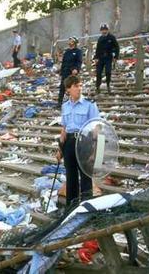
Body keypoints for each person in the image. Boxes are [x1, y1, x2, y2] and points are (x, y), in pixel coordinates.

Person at [56, 76, 99, 207]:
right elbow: (64, 128)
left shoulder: (90, 104)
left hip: (84, 142)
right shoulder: (65, 106)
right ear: (68, 89)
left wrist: (94, 151)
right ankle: (71, 207)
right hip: (69, 142)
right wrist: (60, 150)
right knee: (71, 176)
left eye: (80, 85)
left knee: (86, 177)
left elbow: (96, 128)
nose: (79, 89)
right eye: (76, 86)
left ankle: (87, 208)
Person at [94, 23, 119, 94]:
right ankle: (97, 87)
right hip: (100, 58)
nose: (104, 31)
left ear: (107, 30)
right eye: (102, 30)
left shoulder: (111, 37)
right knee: (98, 73)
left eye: (105, 30)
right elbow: (97, 49)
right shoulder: (100, 38)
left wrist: (116, 56)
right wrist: (96, 57)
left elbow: (117, 47)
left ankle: (108, 85)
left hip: (108, 57)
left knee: (108, 72)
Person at [58, 36, 82, 107]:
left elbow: (79, 61)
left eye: (71, 41)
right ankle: (59, 102)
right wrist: (61, 71)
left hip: (72, 72)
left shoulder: (78, 51)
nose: (69, 42)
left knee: (72, 88)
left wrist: (76, 69)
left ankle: (74, 102)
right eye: (69, 41)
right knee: (62, 87)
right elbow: (64, 62)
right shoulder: (67, 52)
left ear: (74, 42)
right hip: (65, 71)